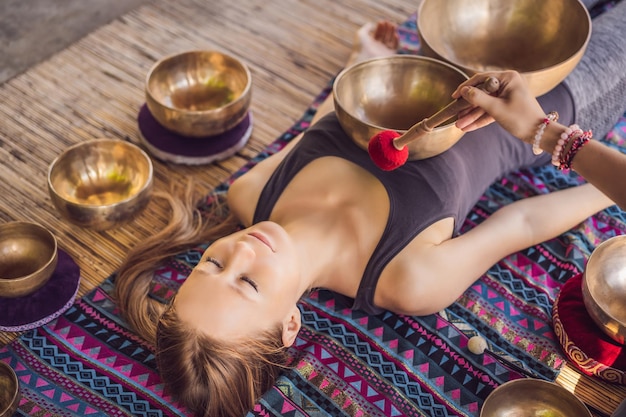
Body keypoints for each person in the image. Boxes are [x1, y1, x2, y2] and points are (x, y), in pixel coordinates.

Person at [114, 3, 625, 417]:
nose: (241, 252)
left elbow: (322, 121)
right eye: (249, 284)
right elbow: (522, 222)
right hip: (558, 95)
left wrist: (362, 58)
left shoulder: (249, 193)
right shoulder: (406, 280)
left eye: (212, 264)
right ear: (290, 325)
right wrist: (614, 187)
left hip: (462, 45)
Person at [454, 0, 626, 209]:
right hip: (568, 100)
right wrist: (541, 130)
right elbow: (526, 222)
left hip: (479, 67)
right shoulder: (418, 239)